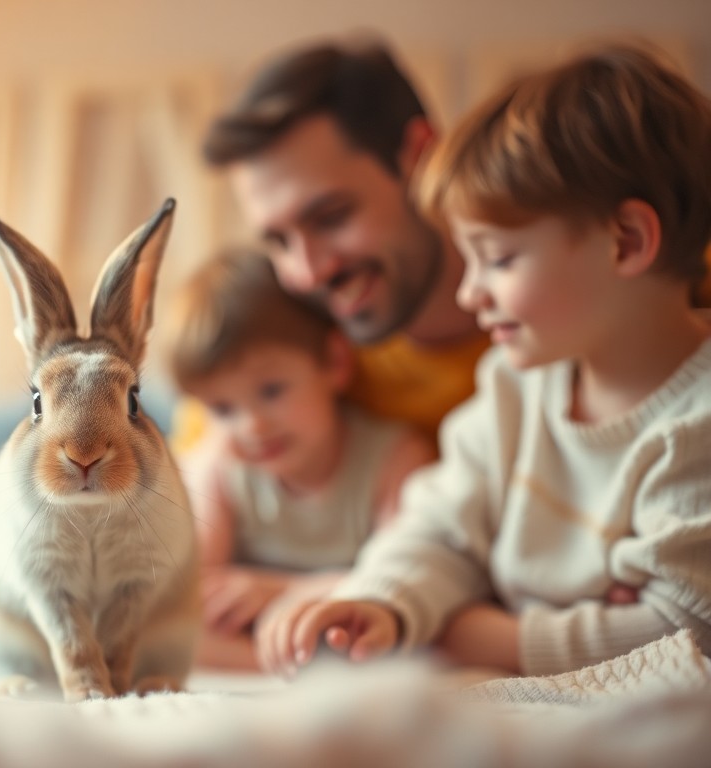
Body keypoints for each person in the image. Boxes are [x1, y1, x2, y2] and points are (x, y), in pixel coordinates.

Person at [255, 44, 711, 677]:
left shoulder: (697, 424)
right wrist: (381, 600)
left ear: (626, 242)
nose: (471, 294)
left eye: (498, 259)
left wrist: (477, 635)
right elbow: (441, 525)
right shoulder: (514, 387)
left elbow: (682, 631)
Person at [195, 38, 490, 442]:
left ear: (422, 156)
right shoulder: (286, 335)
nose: (308, 273)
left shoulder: (561, 321)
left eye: (331, 217)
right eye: (279, 242)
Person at [167, 248, 434, 669]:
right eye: (222, 409)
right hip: (265, 649)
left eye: (272, 390)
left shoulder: (395, 459)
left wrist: (274, 590)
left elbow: (411, 582)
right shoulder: (221, 468)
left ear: (335, 361)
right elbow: (185, 597)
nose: (251, 426)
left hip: (357, 628)